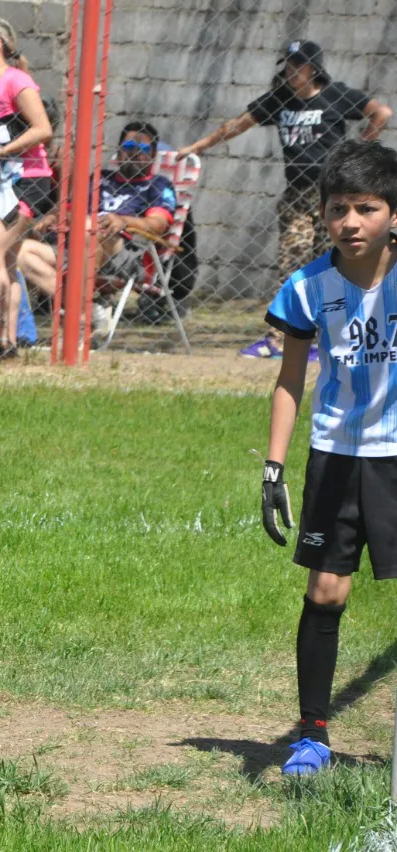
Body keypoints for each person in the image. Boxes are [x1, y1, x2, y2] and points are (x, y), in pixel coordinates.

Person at [260, 140, 397, 776]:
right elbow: (290, 380)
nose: (350, 221)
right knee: (325, 592)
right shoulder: (307, 286)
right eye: (338, 208)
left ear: (393, 214)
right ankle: (312, 736)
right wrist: (273, 468)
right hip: (336, 455)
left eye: (366, 208)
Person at [179, 40, 391, 359]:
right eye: (288, 66)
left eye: (298, 67)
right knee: (292, 262)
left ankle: (332, 337)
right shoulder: (281, 100)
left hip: (334, 198)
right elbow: (238, 124)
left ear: (314, 69)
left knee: (336, 264)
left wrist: (361, 148)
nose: (291, 73)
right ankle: (279, 339)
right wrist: (198, 146)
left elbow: (381, 112)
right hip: (297, 195)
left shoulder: (336, 95)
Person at [16, 121, 177, 335]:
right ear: (119, 151)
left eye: (143, 149)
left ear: (153, 155)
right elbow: (72, 208)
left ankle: (80, 317)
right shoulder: (101, 179)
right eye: (128, 147)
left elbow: (158, 223)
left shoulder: (158, 185)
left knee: (88, 226)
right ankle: (85, 308)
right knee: (21, 251)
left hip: (125, 250)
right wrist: (53, 216)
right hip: (78, 245)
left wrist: (124, 221)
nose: (135, 153)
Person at [0, 16, 55, 361]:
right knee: (7, 260)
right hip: (3, 184)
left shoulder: (16, 81)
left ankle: (1, 338)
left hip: (28, 180)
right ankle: (8, 341)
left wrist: (3, 151)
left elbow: (42, 128)